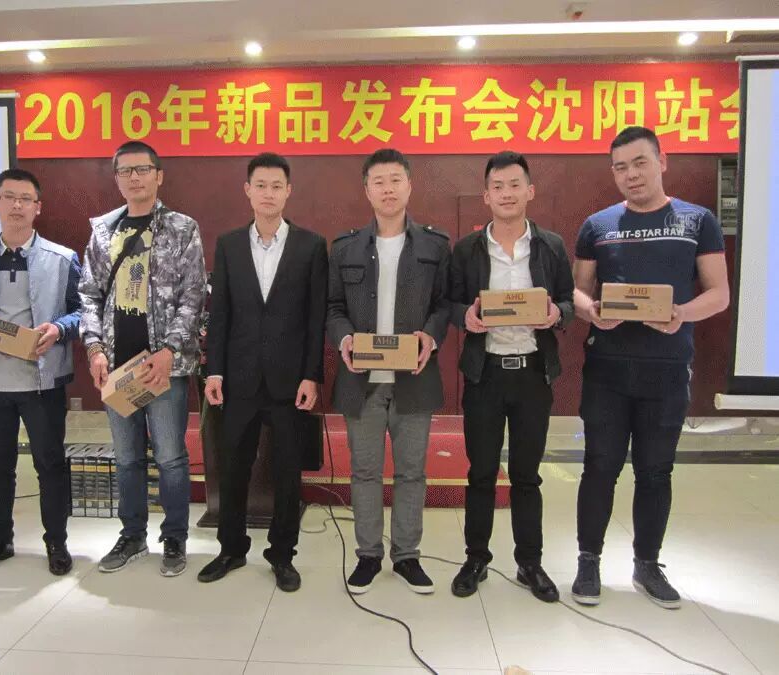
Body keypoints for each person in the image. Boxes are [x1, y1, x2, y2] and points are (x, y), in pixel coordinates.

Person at [571, 126, 729, 608]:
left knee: (656, 471)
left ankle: (647, 564)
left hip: (667, 369)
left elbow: (719, 294)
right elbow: (576, 292)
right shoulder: (597, 225)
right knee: (599, 468)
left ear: (662, 161)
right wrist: (592, 311)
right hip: (607, 370)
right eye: (620, 167)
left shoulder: (696, 220)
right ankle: (588, 561)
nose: (631, 175)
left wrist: (681, 313)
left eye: (640, 162)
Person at [198, 152, 328, 593]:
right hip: (238, 379)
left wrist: (312, 375)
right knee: (233, 466)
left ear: (288, 191)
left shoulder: (311, 246)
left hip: (291, 382)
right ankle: (231, 548)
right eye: (261, 185)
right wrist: (214, 371)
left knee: (288, 471)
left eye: (276, 186)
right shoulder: (230, 244)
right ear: (247, 191)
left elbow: (315, 319)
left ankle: (282, 554)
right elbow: (220, 315)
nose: (268, 193)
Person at [448, 151, 574, 602]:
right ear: (486, 196)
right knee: (481, 472)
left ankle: (529, 562)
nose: (506, 193)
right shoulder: (467, 249)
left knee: (526, 475)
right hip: (485, 376)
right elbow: (450, 304)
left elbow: (568, 301)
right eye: (497, 187)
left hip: (532, 376)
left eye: (514, 184)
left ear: (530, 191)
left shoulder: (550, 246)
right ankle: (476, 558)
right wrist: (466, 317)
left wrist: (557, 313)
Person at [79, 141, 206, 577]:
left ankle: (174, 539)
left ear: (159, 175)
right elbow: (88, 295)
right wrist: (95, 348)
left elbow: (194, 295)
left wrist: (170, 349)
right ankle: (132, 535)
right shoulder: (103, 231)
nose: (134, 177)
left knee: (170, 457)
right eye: (125, 171)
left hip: (163, 367)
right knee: (127, 458)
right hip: (118, 367)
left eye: (142, 169)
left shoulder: (182, 228)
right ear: (116, 178)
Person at [327, 148, 450, 595]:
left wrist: (430, 337)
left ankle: (407, 556)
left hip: (414, 378)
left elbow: (444, 305)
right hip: (362, 382)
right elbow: (333, 307)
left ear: (409, 185)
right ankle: (368, 555)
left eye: (396, 179)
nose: (388, 189)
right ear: (367, 190)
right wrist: (344, 339)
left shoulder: (435, 246)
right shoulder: (345, 248)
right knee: (364, 473)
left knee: (412, 472)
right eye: (378, 181)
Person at [0, 168, 81, 577]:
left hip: (42, 382)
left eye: (26, 198)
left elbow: (84, 312)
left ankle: (56, 542)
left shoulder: (62, 259)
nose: (17, 205)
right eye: (9, 197)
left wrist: (58, 328)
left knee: (50, 464)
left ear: (38, 207)